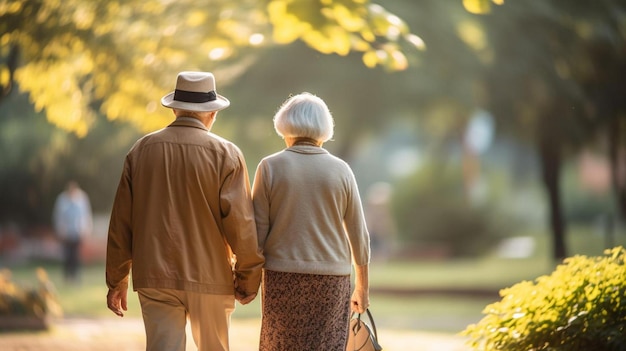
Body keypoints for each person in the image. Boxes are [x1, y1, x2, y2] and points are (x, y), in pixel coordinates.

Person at [105, 71, 264, 351]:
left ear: (176, 108)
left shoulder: (140, 151)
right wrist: (248, 278)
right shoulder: (227, 154)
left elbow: (121, 223)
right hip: (211, 275)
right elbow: (240, 224)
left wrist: (117, 279)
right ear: (212, 114)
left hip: (155, 275)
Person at [251, 92, 371, 350]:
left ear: (284, 124)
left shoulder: (270, 167)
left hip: (282, 277)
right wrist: (362, 287)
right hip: (332, 279)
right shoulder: (341, 170)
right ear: (324, 128)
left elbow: (257, 235)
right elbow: (359, 235)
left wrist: (247, 280)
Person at [53, 180, 93, 283]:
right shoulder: (62, 200)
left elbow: (86, 215)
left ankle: (75, 277)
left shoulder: (82, 198)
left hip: (77, 232)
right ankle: (67, 278)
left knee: (76, 256)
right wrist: (60, 230)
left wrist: (86, 229)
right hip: (66, 233)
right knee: (67, 255)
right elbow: (58, 216)